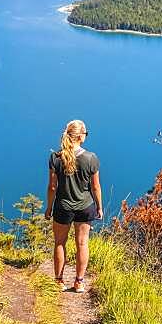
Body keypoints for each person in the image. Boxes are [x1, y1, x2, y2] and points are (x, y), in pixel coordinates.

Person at [44, 119, 103, 292]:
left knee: (59, 243)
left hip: (63, 207)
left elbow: (52, 187)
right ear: (81, 136)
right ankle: (79, 282)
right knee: (82, 244)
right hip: (85, 207)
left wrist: (49, 207)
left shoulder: (55, 157)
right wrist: (99, 207)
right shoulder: (91, 158)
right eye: (86, 133)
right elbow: (95, 186)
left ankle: (59, 281)